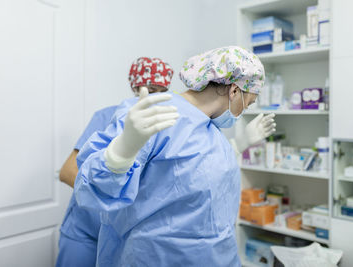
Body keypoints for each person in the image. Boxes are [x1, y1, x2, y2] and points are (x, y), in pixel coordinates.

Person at [74, 46, 276, 266]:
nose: (245, 109)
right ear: (234, 91)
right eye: (250, 102)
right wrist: (122, 150)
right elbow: (92, 190)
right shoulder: (155, 113)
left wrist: (239, 145)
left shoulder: (211, 129)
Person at [56, 57, 174, 267]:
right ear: (136, 87)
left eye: (159, 90)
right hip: (84, 230)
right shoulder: (108, 116)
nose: (153, 94)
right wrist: (109, 192)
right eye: (148, 88)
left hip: (123, 236)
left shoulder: (167, 123)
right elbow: (67, 171)